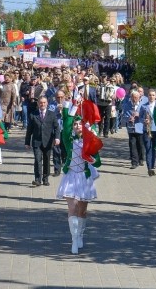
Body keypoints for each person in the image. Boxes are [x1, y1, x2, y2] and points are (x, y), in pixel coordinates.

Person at [56, 102, 102, 254]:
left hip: (84, 177)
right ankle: (74, 239)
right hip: (70, 176)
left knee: (82, 211)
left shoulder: (90, 141)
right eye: (75, 124)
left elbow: (98, 161)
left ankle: (80, 234)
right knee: (72, 208)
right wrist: (74, 106)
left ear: (84, 126)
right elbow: (67, 124)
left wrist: (92, 160)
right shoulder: (69, 140)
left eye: (79, 124)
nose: (76, 126)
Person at [25, 96, 60, 186]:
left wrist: (57, 138)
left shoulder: (52, 114)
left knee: (46, 160)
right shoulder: (33, 114)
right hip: (37, 141)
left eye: (44, 102)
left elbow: (56, 127)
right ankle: (37, 179)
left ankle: (45, 178)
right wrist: (27, 142)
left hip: (48, 141)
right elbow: (29, 130)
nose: (42, 104)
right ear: (38, 104)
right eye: (41, 102)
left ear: (47, 103)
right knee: (37, 160)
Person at [121, 90, 151, 170]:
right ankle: (134, 162)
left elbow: (147, 116)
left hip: (141, 128)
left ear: (139, 98)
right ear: (131, 97)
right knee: (132, 145)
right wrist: (128, 119)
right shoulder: (127, 105)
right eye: (133, 97)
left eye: (136, 97)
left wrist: (139, 116)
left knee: (140, 145)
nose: (135, 99)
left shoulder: (143, 105)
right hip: (131, 128)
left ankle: (141, 158)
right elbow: (123, 116)